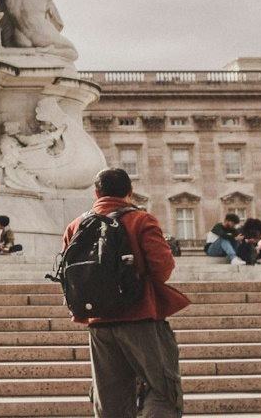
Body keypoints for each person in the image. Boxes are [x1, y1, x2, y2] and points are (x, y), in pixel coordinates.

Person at [62, 167, 187, 417]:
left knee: (110, 400)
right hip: (139, 316)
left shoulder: (75, 225)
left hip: (98, 322)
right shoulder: (141, 219)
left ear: (96, 193)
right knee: (163, 391)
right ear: (130, 192)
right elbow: (163, 267)